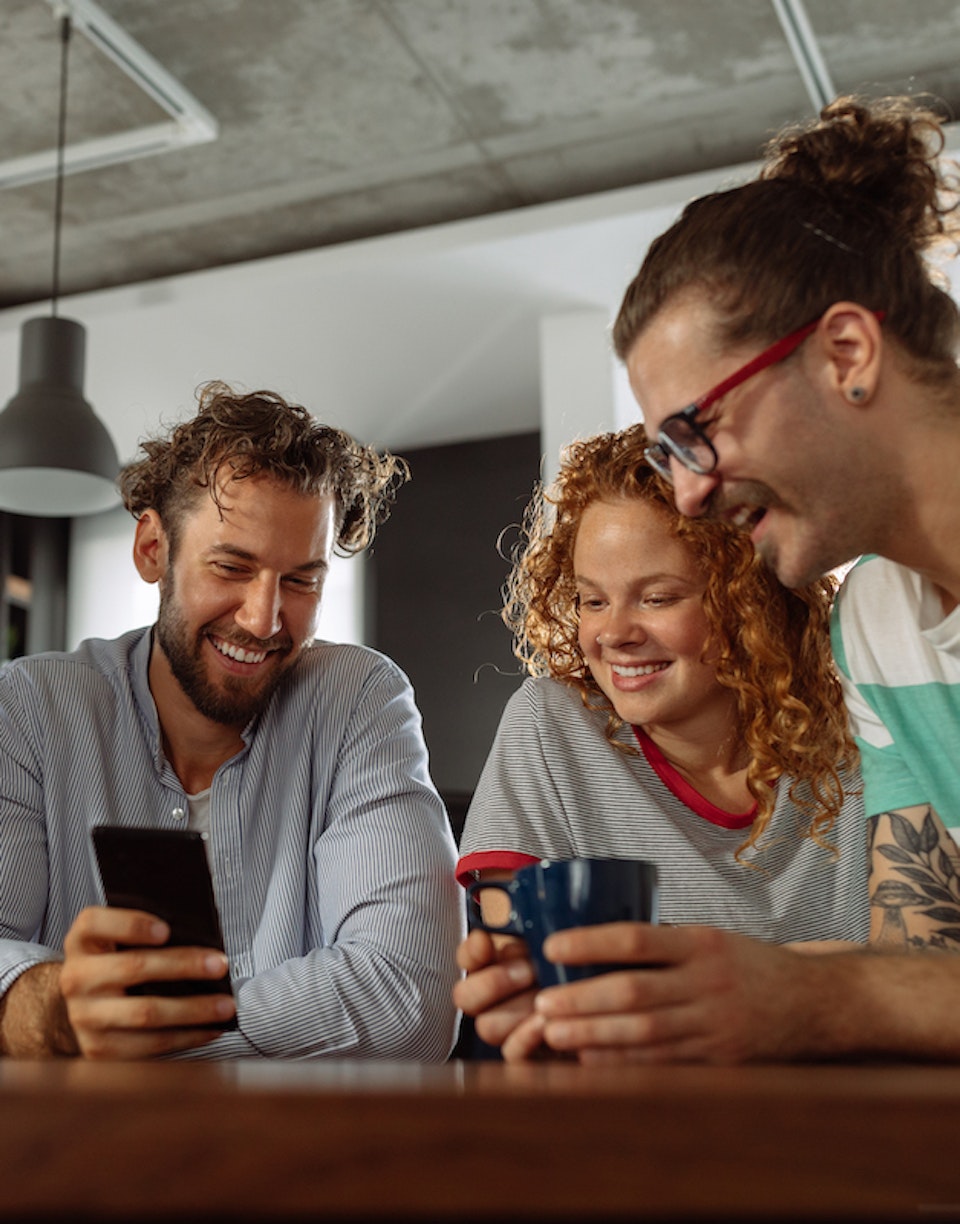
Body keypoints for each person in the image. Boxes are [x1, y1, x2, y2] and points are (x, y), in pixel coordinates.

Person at [472, 92, 960, 1066]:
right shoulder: (875, 621)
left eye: (699, 431)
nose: (688, 496)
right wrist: (721, 993)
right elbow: (926, 965)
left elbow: (887, 994)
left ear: (847, 355)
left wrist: (815, 997)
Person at [0, 381, 464, 1061]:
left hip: (296, 1160)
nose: (263, 619)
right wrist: (58, 1008)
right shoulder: (28, 708)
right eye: (231, 567)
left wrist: (136, 1030)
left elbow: (409, 999)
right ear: (153, 549)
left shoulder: (360, 699)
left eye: (301, 580)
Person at [454, 425, 869, 1061]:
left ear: (751, 599)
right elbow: (516, 967)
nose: (613, 633)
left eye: (657, 597)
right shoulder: (551, 726)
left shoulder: (866, 731)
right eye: (593, 600)